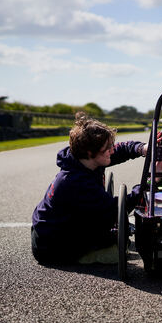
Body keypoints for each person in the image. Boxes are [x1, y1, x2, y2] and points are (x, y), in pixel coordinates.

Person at [31, 113, 149, 265]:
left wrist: (142, 148)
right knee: (118, 249)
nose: (112, 151)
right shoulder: (75, 182)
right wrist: (149, 182)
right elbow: (117, 208)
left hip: (54, 230)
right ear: (90, 152)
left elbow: (120, 150)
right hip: (51, 246)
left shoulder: (83, 159)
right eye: (107, 148)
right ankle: (84, 255)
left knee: (116, 235)